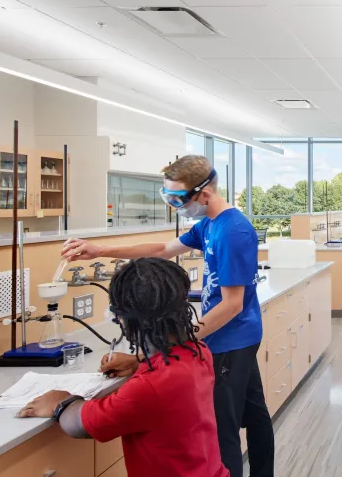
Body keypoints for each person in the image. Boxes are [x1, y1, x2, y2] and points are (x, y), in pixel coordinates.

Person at [60, 155, 273, 477]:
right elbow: (162, 250)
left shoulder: (233, 231)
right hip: (234, 335)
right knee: (253, 414)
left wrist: (167, 347)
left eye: (177, 198)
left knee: (223, 431)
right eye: (168, 197)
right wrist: (100, 251)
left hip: (231, 337)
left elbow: (232, 305)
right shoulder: (209, 224)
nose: (174, 205)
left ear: (203, 193)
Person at [17, 258, 229, 477]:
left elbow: (79, 425)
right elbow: (169, 374)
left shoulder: (147, 388)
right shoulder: (199, 351)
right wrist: (138, 361)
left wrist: (60, 402)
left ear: (126, 320)